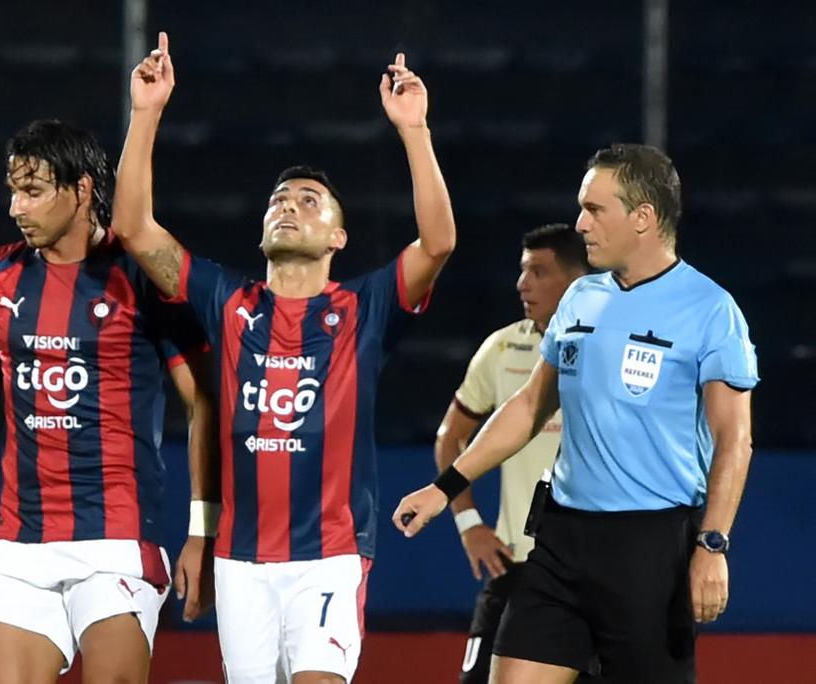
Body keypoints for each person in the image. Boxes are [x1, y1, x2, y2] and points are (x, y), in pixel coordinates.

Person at [112, 32, 456, 684]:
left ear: (338, 236)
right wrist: (147, 113)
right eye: (279, 200)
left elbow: (438, 241)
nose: (288, 206)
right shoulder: (227, 301)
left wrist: (415, 130)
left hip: (329, 556)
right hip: (240, 562)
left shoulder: (363, 309)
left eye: (308, 201)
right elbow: (134, 229)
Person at [394, 144, 758, 684]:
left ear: (643, 217)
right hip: (561, 544)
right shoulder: (581, 299)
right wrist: (444, 486)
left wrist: (712, 545)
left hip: (650, 552)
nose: (580, 223)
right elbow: (526, 409)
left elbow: (735, 441)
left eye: (594, 209)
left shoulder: (710, 310)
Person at [0, 119, 219, 684]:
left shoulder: (140, 274)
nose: (18, 207)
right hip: (20, 541)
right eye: (14, 190)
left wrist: (201, 527)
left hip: (117, 539)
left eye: (34, 191)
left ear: (83, 189)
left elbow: (204, 403)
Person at [436, 224, 588, 683]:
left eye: (538, 272)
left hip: (592, 568)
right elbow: (450, 437)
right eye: (522, 271)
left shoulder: (610, 347)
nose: (523, 284)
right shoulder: (503, 348)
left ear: (577, 280)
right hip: (517, 568)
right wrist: (469, 525)